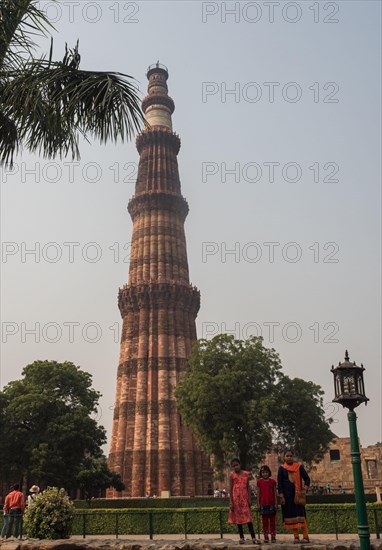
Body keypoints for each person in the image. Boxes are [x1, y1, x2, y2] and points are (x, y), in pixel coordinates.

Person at [277, 450, 310, 544]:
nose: (289, 457)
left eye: (291, 456)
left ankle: (306, 537)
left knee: (301, 516)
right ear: (284, 458)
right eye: (287, 456)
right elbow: (280, 484)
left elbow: (307, 478)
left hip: (298, 496)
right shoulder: (282, 468)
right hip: (287, 497)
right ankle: (296, 537)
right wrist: (281, 496)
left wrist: (305, 488)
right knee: (291, 516)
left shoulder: (299, 467)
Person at [228, 458, 260, 545]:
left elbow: (248, 487)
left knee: (248, 519)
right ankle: (241, 538)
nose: (235, 467)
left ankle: (253, 537)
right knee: (238, 520)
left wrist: (249, 499)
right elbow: (230, 489)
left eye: (236, 465)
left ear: (240, 464)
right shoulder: (232, 475)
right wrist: (231, 502)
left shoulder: (246, 474)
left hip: (244, 499)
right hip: (236, 500)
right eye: (233, 466)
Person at [257, 465, 277, 543]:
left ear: (269, 473)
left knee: (272, 521)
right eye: (263, 472)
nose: (265, 474)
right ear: (261, 473)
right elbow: (258, 493)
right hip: (263, 504)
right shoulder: (259, 482)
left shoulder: (272, 482)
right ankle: (265, 536)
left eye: (266, 472)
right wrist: (258, 504)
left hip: (271, 503)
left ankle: (273, 536)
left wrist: (276, 503)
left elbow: (275, 493)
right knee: (264, 521)